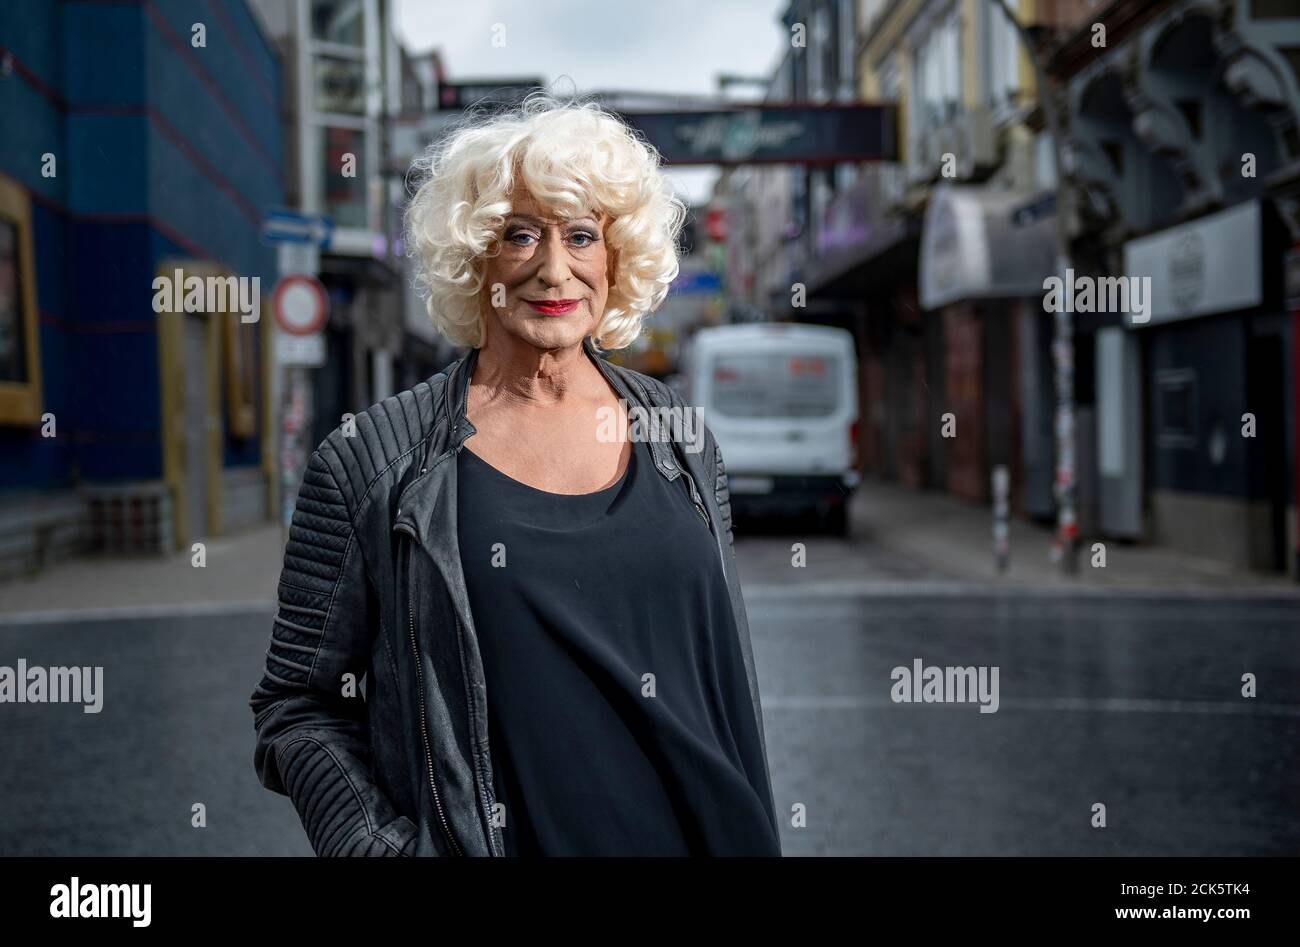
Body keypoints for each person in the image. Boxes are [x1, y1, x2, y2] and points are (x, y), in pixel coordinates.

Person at [250, 94, 781, 856]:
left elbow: (725, 678)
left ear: (617, 256)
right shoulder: (371, 460)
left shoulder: (680, 437)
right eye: (519, 234)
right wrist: (375, 847)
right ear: (475, 257)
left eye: (581, 235)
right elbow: (296, 705)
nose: (553, 267)